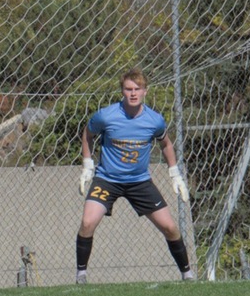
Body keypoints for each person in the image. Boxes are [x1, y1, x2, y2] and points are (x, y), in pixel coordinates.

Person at [75, 67, 194, 284]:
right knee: (87, 222)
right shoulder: (106, 116)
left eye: (137, 89)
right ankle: (81, 274)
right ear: (122, 91)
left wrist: (175, 174)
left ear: (145, 91)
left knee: (169, 227)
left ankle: (187, 274)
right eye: (128, 89)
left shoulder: (155, 120)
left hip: (139, 182)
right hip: (107, 180)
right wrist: (87, 166)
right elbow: (87, 134)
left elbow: (166, 144)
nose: (133, 93)